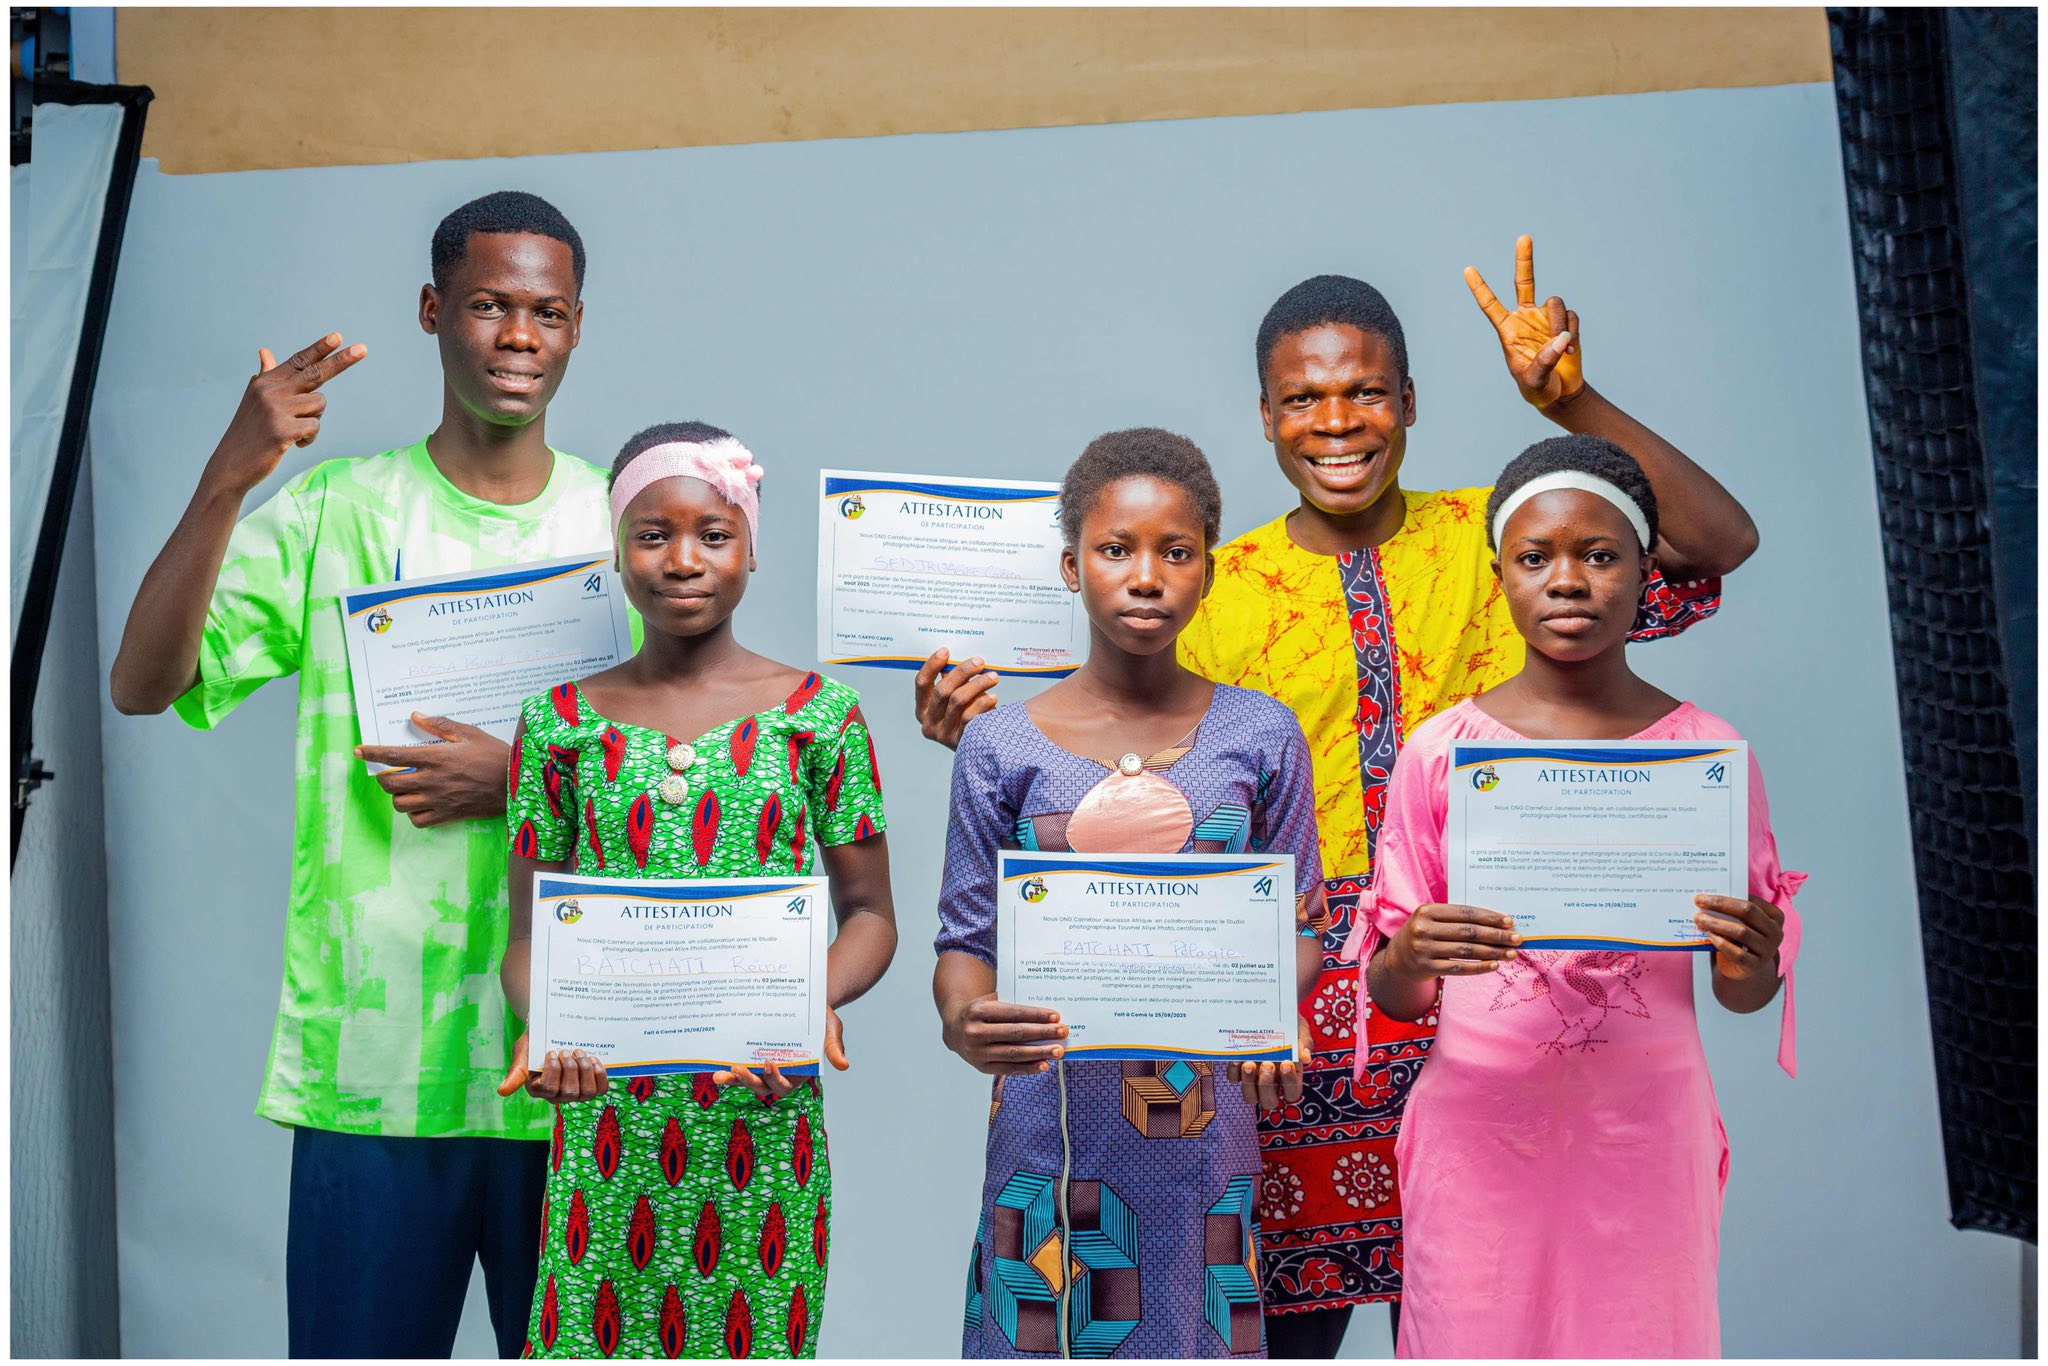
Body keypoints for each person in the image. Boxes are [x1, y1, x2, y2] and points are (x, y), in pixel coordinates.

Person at [915, 237, 1761, 1355]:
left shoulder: (1499, 536)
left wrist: (1571, 399)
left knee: (1482, 1309)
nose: (1336, 421)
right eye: (1302, 398)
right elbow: (1111, 763)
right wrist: (967, 727)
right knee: (1277, 1321)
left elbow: (1717, 545)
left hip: (1487, 982)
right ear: (1263, 418)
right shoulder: (1216, 578)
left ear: (1408, 400)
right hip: (1281, 1003)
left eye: (1364, 391)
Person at [109, 190, 606, 1357]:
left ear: (578, 326)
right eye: (488, 304)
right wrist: (229, 477)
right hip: (369, 1069)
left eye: (547, 311)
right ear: (435, 311)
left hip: (575, 1065)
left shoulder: (620, 523)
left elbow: (693, 778)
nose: (517, 336)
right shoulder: (336, 511)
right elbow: (142, 682)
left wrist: (523, 778)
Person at [1354, 434, 1804, 1357]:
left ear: (1647, 572)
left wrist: (1751, 955)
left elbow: (1742, 992)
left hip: (1644, 1128)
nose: (1568, 580)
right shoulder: (1442, 753)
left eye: (1600, 556)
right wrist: (1410, 955)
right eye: (1536, 558)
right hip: (1481, 1125)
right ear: (1501, 576)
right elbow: (1395, 993)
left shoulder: (1707, 755)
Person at [498, 422, 897, 1360]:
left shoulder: (819, 715)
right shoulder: (555, 725)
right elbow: (525, 941)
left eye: (714, 535)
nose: (683, 560)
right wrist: (548, 1025)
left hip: (761, 1118)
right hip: (607, 1130)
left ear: (751, 548)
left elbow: (871, 916)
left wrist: (808, 1001)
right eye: (652, 534)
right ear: (617, 549)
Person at [936, 428, 1325, 1359]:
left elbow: (1302, 925)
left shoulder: (1261, 733)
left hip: (1206, 1126)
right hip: (1050, 1119)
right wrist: (963, 1021)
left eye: (1175, 552)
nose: (1146, 576)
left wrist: (1276, 1009)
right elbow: (967, 937)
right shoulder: (1002, 745)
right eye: (1117, 550)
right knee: (1047, 1329)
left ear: (1209, 572)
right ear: (1072, 567)